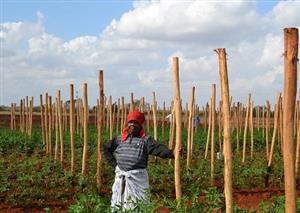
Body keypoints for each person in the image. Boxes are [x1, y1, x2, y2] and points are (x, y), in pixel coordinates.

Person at [103, 111, 174, 212]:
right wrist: (115, 165)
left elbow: (157, 149)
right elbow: (106, 148)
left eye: (135, 122)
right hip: (121, 176)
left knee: (139, 204)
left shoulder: (145, 140)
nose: (132, 124)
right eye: (130, 122)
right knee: (119, 202)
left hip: (137, 178)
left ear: (140, 124)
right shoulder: (119, 139)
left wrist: (171, 153)